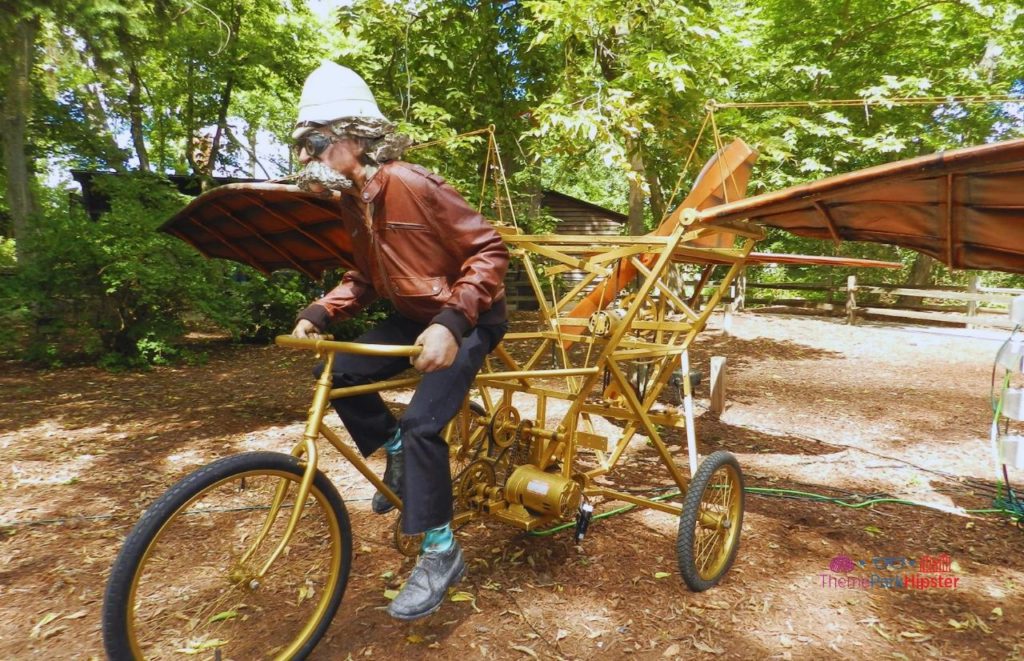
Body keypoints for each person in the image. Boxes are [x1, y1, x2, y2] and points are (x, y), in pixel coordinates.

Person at [289, 61, 509, 621]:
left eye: (314, 142)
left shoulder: (412, 184)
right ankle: (394, 454)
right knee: (337, 374)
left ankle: (441, 552)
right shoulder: (351, 201)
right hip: (415, 313)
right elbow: (365, 276)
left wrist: (452, 323)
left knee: (423, 424)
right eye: (301, 146)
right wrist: (321, 311)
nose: (306, 157)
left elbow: (489, 251)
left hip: (469, 317)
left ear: (355, 138)